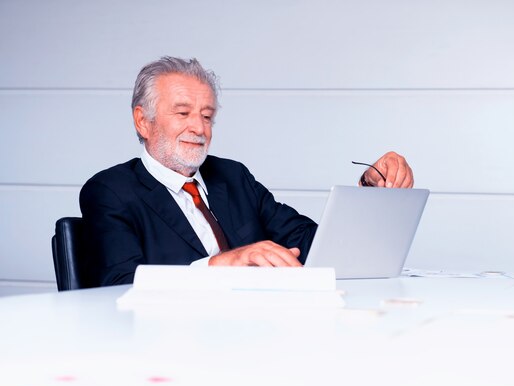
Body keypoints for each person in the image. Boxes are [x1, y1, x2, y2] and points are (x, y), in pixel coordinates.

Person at [80, 56, 414, 287]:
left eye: (208, 116)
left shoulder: (232, 177)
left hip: (259, 332)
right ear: (143, 120)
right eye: (183, 113)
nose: (198, 127)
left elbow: (315, 245)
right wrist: (222, 265)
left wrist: (370, 189)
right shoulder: (111, 191)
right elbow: (119, 285)